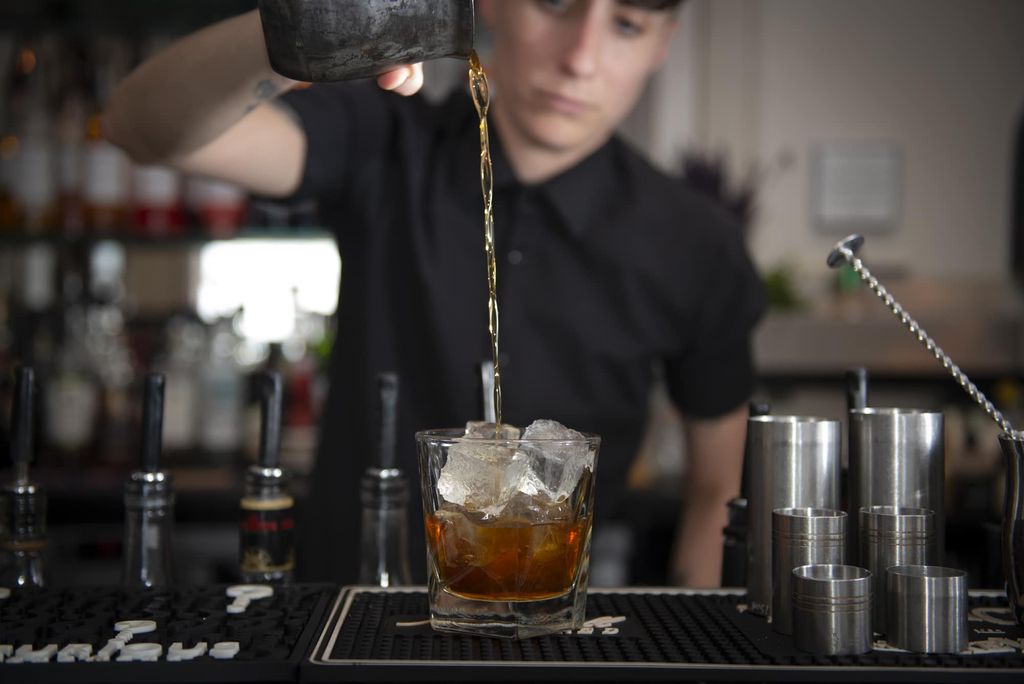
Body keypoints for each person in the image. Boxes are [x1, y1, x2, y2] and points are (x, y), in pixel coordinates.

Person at [103, 0, 765, 588]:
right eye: (554, 4)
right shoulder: (385, 141)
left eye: (626, 23)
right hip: (347, 615)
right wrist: (303, 18)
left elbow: (718, 490)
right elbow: (139, 126)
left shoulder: (694, 242)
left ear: (661, 44)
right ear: (491, 6)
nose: (581, 60)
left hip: (563, 623)